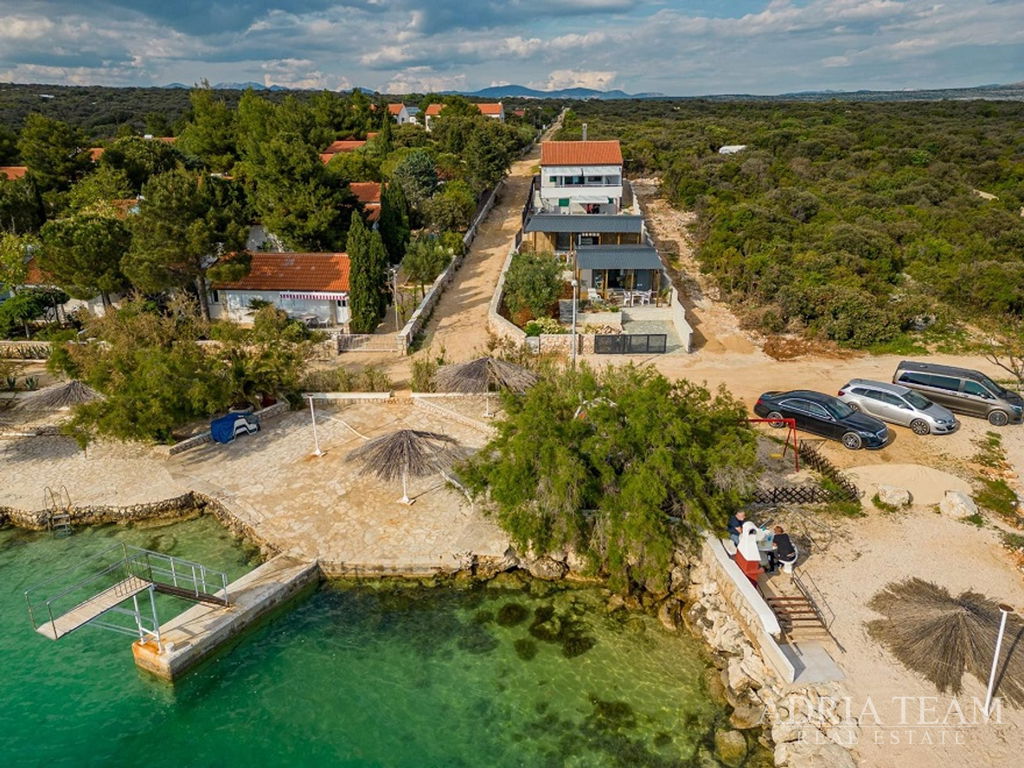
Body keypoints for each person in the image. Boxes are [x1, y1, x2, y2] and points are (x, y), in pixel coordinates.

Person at [734, 520, 764, 587]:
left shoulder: (742, 543)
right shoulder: (751, 552)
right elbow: (748, 572)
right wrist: (760, 571)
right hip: (749, 582)